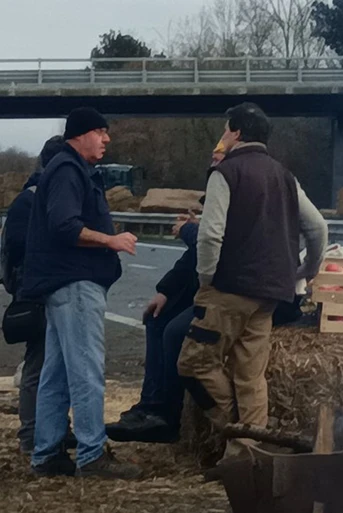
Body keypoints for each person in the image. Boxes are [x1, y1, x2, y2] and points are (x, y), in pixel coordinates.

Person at [177, 102, 328, 459]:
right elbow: (318, 227)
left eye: (226, 130)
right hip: (271, 292)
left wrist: (206, 276)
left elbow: (211, 234)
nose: (223, 136)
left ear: (238, 133)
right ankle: (246, 456)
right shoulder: (285, 176)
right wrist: (307, 271)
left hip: (228, 288)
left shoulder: (225, 173)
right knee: (250, 375)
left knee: (193, 363)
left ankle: (234, 427)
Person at [20, 107, 141, 478]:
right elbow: (65, 225)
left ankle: (46, 454)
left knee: (55, 375)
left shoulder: (67, 169)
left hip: (63, 283)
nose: (106, 139)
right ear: (81, 134)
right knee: (86, 370)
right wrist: (110, 239)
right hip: (74, 283)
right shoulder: (69, 170)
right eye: (100, 132)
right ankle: (91, 455)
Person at [105, 143, 228, 443]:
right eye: (212, 154)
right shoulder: (216, 191)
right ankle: (150, 405)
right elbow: (193, 260)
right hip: (209, 286)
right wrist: (165, 291)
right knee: (157, 318)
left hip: (229, 290)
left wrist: (189, 231)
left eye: (220, 154)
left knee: (175, 332)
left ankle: (168, 416)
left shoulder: (239, 192)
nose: (213, 158)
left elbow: (215, 246)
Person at [1, 136, 72, 455]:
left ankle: (56, 428)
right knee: (39, 365)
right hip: (39, 294)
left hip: (45, 289)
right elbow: (19, 250)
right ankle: (31, 434)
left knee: (56, 364)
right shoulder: (32, 201)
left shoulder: (36, 197)